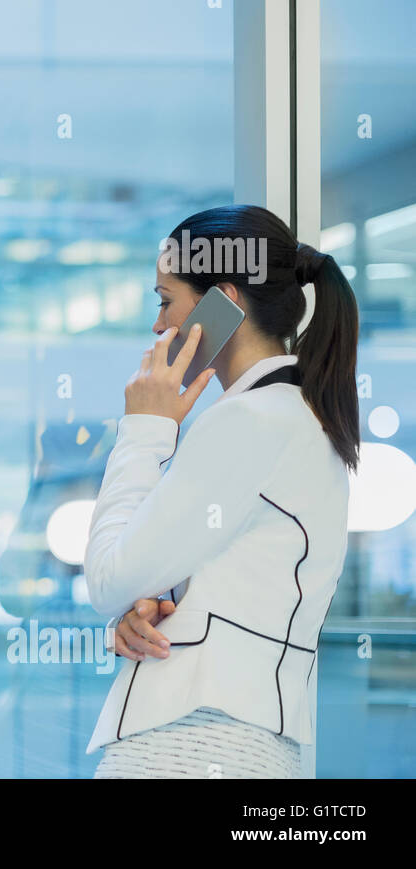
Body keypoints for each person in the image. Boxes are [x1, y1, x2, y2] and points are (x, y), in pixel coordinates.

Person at [85, 205, 359, 778]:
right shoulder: (304, 420)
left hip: (191, 746)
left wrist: (144, 429)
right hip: (248, 746)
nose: (160, 327)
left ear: (224, 302)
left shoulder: (248, 422)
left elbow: (106, 579)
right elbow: (224, 582)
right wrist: (155, 606)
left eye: (166, 301)